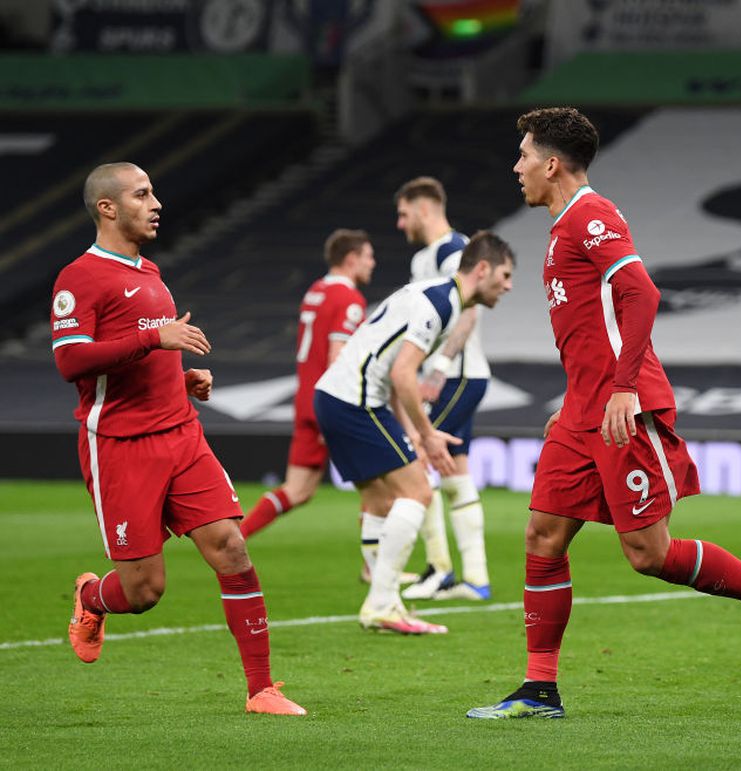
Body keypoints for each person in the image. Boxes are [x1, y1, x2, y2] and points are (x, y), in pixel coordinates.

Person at [466, 107, 741, 720]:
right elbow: (592, 329)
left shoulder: (591, 215)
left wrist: (623, 389)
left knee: (648, 554)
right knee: (543, 536)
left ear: (552, 164)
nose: (516, 166)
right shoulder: (563, 227)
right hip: (582, 408)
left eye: (524, 154)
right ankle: (539, 688)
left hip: (618, 409)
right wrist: (574, 398)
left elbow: (642, 292)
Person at [55, 162, 305, 716]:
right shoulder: (80, 277)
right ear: (108, 208)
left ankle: (261, 690)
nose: (156, 203)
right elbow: (71, 360)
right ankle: (92, 597)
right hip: (121, 445)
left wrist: (180, 377)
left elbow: (144, 354)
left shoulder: (149, 273)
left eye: (154, 192)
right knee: (143, 592)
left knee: (232, 548)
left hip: (182, 436)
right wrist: (154, 338)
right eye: (142, 194)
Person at [314, 231, 514, 634]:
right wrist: (425, 435)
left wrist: (412, 434)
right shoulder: (442, 304)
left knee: (377, 500)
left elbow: (392, 368)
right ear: (483, 268)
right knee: (418, 492)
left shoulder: (433, 293)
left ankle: (383, 600)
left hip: (335, 396)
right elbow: (404, 374)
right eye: (505, 275)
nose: (507, 286)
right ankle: (383, 603)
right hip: (355, 401)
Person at [389, 177, 492, 602]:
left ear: (425, 208)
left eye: (404, 213)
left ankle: (439, 569)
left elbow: (469, 313)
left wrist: (441, 366)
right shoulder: (422, 261)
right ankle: (477, 580)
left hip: (456, 376)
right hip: (447, 376)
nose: (400, 223)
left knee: (417, 458)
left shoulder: (456, 250)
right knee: (455, 471)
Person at [239, 229, 375, 538]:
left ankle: (236, 537)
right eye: (368, 256)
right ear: (352, 259)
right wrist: (340, 410)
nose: (373, 263)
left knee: (298, 490)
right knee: (377, 485)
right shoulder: (349, 299)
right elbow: (337, 358)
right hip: (331, 403)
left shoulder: (315, 291)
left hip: (305, 400)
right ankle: (375, 571)